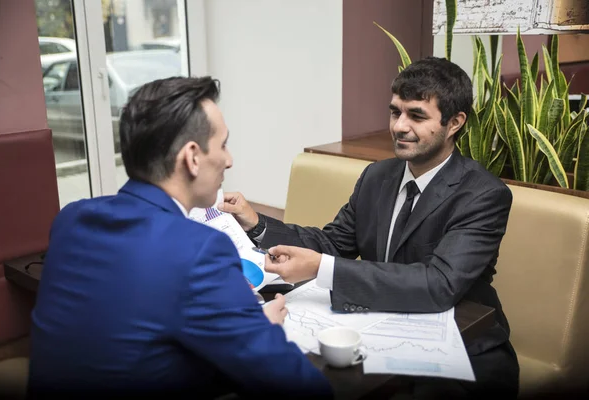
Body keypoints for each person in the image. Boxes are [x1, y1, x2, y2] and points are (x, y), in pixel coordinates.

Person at [220, 57, 519, 399]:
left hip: (463, 346)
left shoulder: (483, 194)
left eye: (417, 116)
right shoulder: (377, 177)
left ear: (454, 123)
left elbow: (439, 284)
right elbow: (332, 244)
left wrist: (320, 268)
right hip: (380, 332)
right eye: (395, 112)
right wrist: (255, 222)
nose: (400, 126)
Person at [28, 77, 332, 399]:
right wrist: (263, 332)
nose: (229, 160)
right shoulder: (199, 249)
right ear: (192, 157)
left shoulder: (71, 220)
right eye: (223, 144)